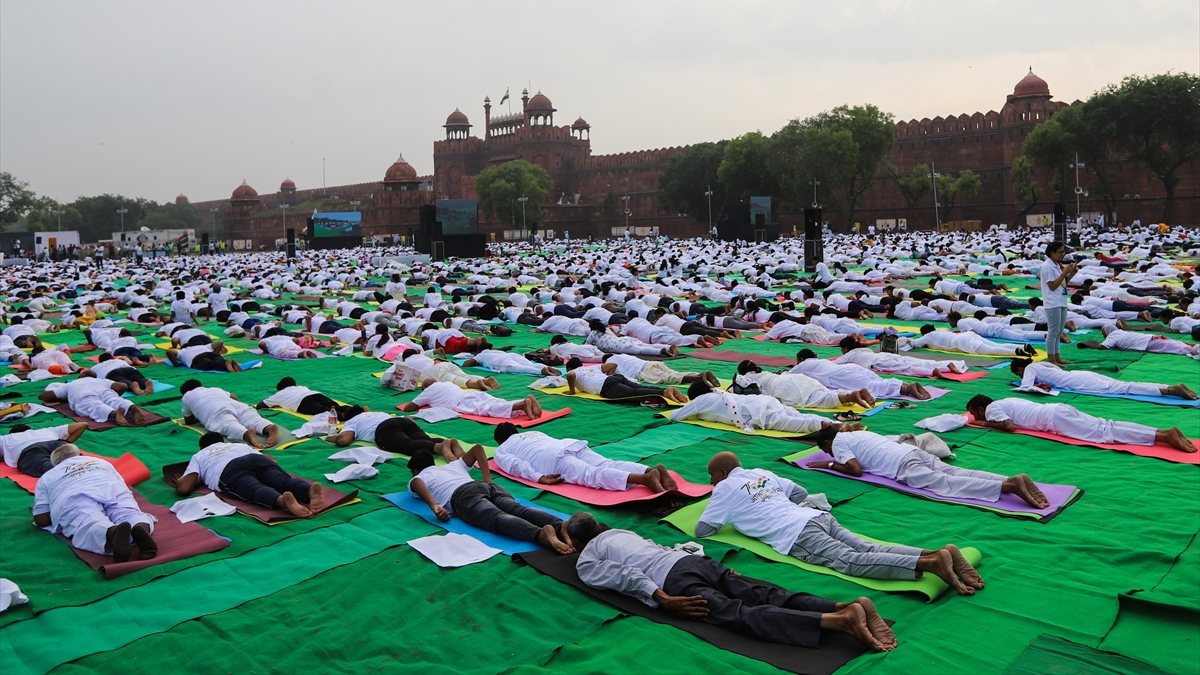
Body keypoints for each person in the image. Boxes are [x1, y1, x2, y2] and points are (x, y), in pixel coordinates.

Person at [566, 514, 895, 652]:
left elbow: (624, 575)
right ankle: (843, 605)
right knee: (765, 593)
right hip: (693, 562)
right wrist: (713, 567)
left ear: (578, 542)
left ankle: (839, 620)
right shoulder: (620, 532)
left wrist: (661, 598)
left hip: (673, 579)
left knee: (740, 614)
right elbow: (658, 549)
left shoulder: (587, 560)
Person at [700, 452, 982, 595]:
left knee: (850, 560)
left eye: (711, 476)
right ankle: (936, 553)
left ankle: (930, 563)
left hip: (796, 534)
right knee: (867, 547)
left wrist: (738, 515)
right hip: (817, 517)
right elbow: (799, 493)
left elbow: (704, 529)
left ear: (722, 473)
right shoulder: (761, 472)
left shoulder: (723, 488)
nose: (711, 481)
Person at [810, 428, 1049, 509]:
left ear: (827, 442)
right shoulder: (857, 433)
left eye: (826, 449)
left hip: (901, 465)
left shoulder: (838, 443)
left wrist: (827, 464)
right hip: (910, 452)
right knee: (956, 472)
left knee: (947, 483)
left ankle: (1007, 486)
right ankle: (1008, 479)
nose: (830, 454)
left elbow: (855, 470)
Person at [407, 441, 573, 554]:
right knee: (518, 509)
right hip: (484, 486)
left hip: (463, 496)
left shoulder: (420, 477)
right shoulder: (451, 466)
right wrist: (488, 480)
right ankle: (560, 525)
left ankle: (539, 534)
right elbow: (478, 448)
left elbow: (417, 482)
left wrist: (434, 506)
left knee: (497, 518)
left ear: (414, 470)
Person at [32, 444, 157, 562]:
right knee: (128, 512)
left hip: (75, 496)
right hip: (112, 488)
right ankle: (139, 526)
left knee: (87, 522)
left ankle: (112, 533)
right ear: (80, 455)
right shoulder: (101, 462)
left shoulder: (47, 477)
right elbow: (122, 484)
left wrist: (55, 511)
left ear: (55, 464)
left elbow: (41, 519)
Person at [966, 395, 1195, 453]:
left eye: (973, 413)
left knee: (1104, 434)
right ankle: (1162, 432)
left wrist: (984, 424)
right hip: (1058, 410)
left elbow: (1008, 427)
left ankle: (1163, 436)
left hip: (1055, 419)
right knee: (1107, 425)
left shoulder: (992, 408)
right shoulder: (1006, 400)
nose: (974, 417)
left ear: (980, 408)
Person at [174, 432, 325, 518]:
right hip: (255, 459)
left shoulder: (200, 455)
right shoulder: (237, 445)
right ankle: (308, 490)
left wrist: (179, 481)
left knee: (253, 488)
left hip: (228, 469)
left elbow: (185, 488)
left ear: (202, 447)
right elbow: (271, 460)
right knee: (282, 481)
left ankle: (282, 501)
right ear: (222, 441)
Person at [492, 423, 676, 492]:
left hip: (552, 459)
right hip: (570, 444)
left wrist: (538, 477)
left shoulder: (502, 450)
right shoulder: (534, 432)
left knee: (590, 474)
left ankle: (644, 479)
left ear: (499, 441)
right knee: (607, 463)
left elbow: (516, 465)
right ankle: (650, 470)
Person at [671, 381, 859, 435]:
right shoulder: (719, 393)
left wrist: (692, 408)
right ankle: (835, 423)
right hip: (764, 401)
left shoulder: (700, 401)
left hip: (757, 413)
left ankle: (827, 425)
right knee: (797, 415)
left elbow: (675, 416)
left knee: (791, 423)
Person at [1010, 358, 1196, 400]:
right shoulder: (1041, 363)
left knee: (1124, 388)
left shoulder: (1030, 368)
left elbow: (1026, 386)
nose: (1020, 376)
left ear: (1019, 368)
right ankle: (1168, 387)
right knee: (1123, 385)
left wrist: (1015, 387)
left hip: (1079, 382)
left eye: (1018, 374)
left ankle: (1170, 390)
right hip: (1080, 375)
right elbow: (1056, 370)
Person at [792, 350, 932, 400]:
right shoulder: (821, 361)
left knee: (872, 387)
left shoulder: (803, 365)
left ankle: (908, 389)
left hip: (840, 375)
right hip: (850, 368)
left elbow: (787, 375)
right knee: (879, 381)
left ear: (801, 360)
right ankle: (907, 385)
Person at [179, 379, 280, 448]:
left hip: (216, 411)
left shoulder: (186, 396)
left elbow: (189, 421)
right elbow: (234, 397)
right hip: (237, 405)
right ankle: (269, 427)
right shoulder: (214, 389)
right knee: (252, 419)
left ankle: (246, 434)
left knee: (228, 425)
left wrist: (198, 415)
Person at [735, 359, 875, 409]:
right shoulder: (764, 372)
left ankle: (852, 396)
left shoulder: (747, 378)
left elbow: (740, 388)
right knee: (823, 392)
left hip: (784, 387)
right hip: (795, 379)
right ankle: (855, 393)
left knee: (820, 400)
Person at [397, 380, 544, 420]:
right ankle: (523, 403)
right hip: (471, 394)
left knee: (486, 409)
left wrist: (424, 397)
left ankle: (522, 405)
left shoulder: (428, 390)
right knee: (495, 402)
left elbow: (409, 407)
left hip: (461, 402)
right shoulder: (446, 383)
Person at [38, 377, 151, 427]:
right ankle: (132, 408)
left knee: (94, 406)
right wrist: (116, 393)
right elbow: (122, 386)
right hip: (103, 390)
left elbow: (44, 397)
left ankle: (114, 414)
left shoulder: (71, 384)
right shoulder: (99, 380)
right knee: (114, 400)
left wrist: (64, 398)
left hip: (83, 394)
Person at [565, 359, 688, 403]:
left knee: (632, 393)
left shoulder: (573, 372)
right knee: (638, 388)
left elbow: (570, 374)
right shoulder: (591, 367)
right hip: (615, 378)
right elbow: (612, 365)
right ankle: (665, 390)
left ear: (569, 367)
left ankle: (663, 393)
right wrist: (612, 377)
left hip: (606, 385)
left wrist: (572, 391)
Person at [1, 422, 88, 477]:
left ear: (13, 433)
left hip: (32, 450)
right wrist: (66, 443)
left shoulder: (7, 438)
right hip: (56, 443)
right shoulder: (47, 430)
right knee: (77, 462)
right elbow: (82, 425)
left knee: (54, 471)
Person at [255, 376, 364, 419]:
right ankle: (355, 410)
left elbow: (260, 405)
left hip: (302, 402)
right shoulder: (301, 387)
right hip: (316, 394)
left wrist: (275, 403)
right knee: (335, 406)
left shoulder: (279, 394)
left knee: (323, 410)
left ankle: (345, 416)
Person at [1040, 242, 1077, 365]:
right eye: (1060, 252)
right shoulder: (1047, 266)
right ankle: (1051, 360)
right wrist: (1064, 272)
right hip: (1052, 302)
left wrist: (1072, 273)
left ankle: (1057, 357)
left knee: (1059, 332)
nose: (1062, 254)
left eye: (1063, 252)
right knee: (1053, 332)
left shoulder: (1056, 265)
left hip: (1060, 300)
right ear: (1052, 252)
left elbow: (1062, 283)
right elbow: (1052, 286)